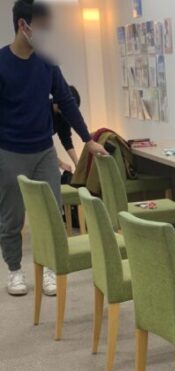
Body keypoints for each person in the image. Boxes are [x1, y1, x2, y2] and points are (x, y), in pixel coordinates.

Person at [0, 0, 108, 296]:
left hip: (44, 151)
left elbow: (66, 101)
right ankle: (14, 271)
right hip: (9, 151)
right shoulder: (2, 63)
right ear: (23, 25)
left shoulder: (47, 62)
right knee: (11, 216)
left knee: (52, 213)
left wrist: (88, 139)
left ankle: (49, 269)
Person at [52, 85, 81, 173]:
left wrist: (77, 163)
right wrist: (60, 164)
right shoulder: (43, 111)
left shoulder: (63, 116)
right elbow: (43, 144)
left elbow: (66, 140)